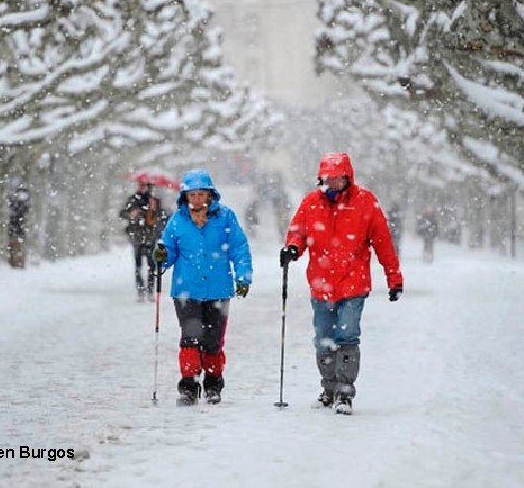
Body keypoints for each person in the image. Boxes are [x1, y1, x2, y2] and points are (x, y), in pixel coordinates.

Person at [280, 153, 403, 415]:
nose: (333, 183)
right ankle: (328, 388)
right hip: (321, 284)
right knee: (324, 339)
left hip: (353, 284)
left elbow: (383, 243)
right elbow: (298, 232)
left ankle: (344, 392)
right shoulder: (311, 203)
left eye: (338, 179)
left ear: (348, 177)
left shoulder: (365, 203)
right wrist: (292, 249)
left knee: (347, 336)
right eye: (328, 179)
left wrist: (394, 277)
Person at [153, 169, 252, 405]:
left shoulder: (226, 217)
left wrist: (243, 277)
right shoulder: (178, 220)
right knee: (190, 337)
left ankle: (213, 384)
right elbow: (167, 253)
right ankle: (188, 385)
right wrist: (161, 255)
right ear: (185, 197)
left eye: (201, 194)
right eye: (192, 195)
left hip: (218, 290)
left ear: (210, 195)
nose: (196, 200)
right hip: (186, 290)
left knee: (213, 341)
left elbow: (239, 248)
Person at [119, 179, 169, 302]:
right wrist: (131, 213)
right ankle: (141, 291)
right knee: (138, 266)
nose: (142, 186)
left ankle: (150, 291)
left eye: (144, 184)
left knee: (152, 266)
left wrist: (155, 210)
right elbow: (122, 213)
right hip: (136, 238)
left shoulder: (154, 201)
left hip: (150, 238)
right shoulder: (133, 200)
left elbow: (163, 218)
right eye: (140, 184)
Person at [8, 184, 31, 268]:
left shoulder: (21, 203)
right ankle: (15, 262)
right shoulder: (16, 202)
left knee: (18, 245)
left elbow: (25, 210)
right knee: (14, 244)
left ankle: (19, 262)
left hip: (18, 226)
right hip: (16, 226)